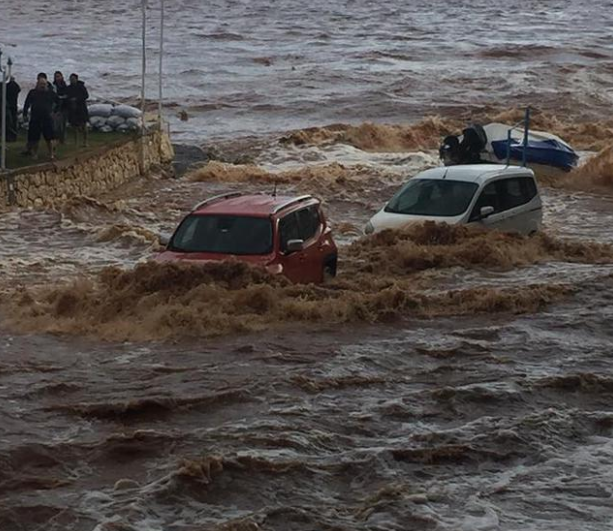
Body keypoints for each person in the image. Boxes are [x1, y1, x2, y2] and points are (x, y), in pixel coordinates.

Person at [22, 77, 58, 160]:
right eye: (41, 84)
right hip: (35, 118)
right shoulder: (32, 92)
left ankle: (51, 154)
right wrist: (25, 114)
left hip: (47, 118)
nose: (42, 86)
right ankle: (35, 154)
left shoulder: (51, 93)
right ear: (37, 84)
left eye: (44, 84)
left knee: (49, 138)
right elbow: (27, 104)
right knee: (34, 138)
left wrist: (55, 112)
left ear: (47, 85)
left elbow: (59, 102)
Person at [65, 73, 89, 147]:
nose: (72, 80)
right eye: (71, 79)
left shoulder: (81, 87)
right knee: (74, 127)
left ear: (76, 79)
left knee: (83, 125)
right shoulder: (68, 88)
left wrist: (77, 99)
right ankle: (76, 142)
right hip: (72, 109)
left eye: (73, 79)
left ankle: (85, 141)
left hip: (81, 108)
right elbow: (67, 97)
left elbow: (86, 96)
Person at [52, 71, 68, 144]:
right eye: (56, 76)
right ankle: (57, 139)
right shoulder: (53, 86)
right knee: (57, 124)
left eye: (58, 76)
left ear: (62, 77)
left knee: (63, 124)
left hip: (64, 107)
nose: (57, 78)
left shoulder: (64, 86)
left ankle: (63, 139)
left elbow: (68, 95)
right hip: (56, 107)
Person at [5, 76, 21, 142]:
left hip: (8, 106)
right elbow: (19, 90)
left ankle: (9, 136)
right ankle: (14, 136)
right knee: (14, 121)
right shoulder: (16, 86)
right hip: (14, 105)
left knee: (8, 122)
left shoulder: (6, 86)